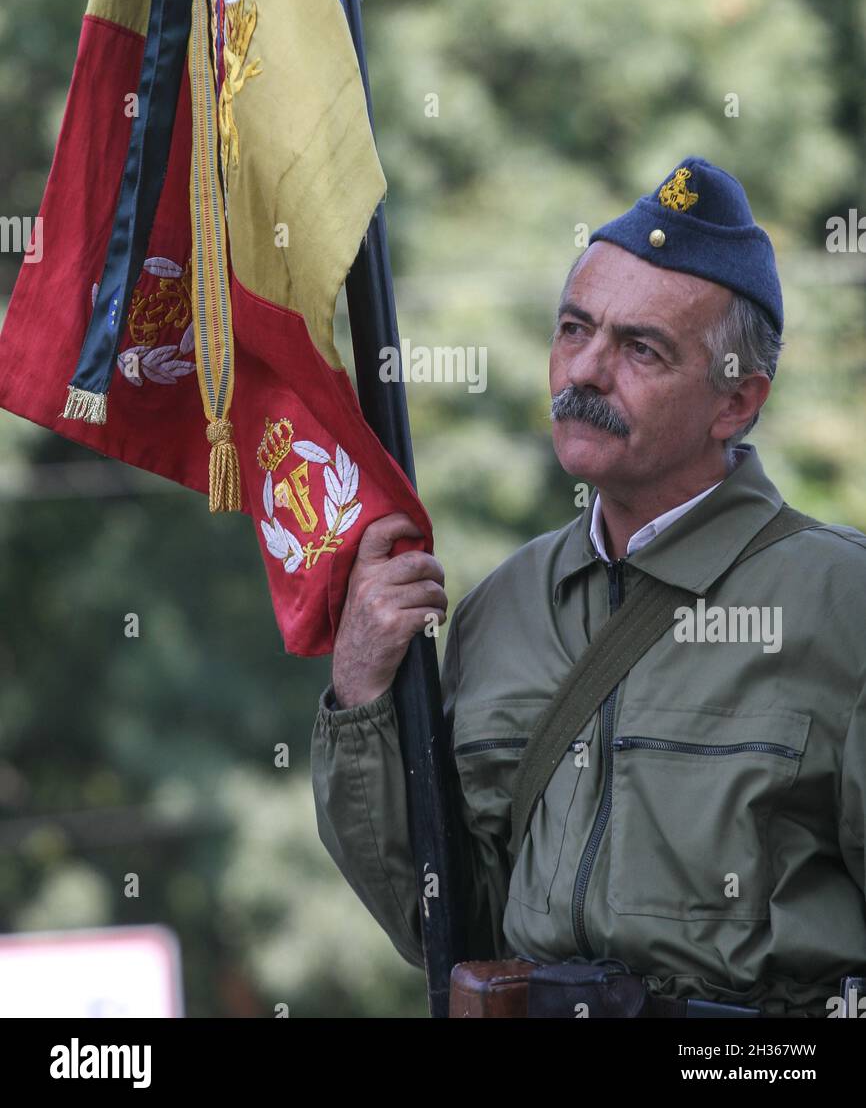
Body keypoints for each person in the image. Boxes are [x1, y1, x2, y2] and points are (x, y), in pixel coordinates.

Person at [310, 157, 866, 1017]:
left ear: (738, 401)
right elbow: (446, 924)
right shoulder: (501, 606)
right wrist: (361, 698)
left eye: (640, 348)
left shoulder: (842, 600)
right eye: (575, 330)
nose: (586, 371)